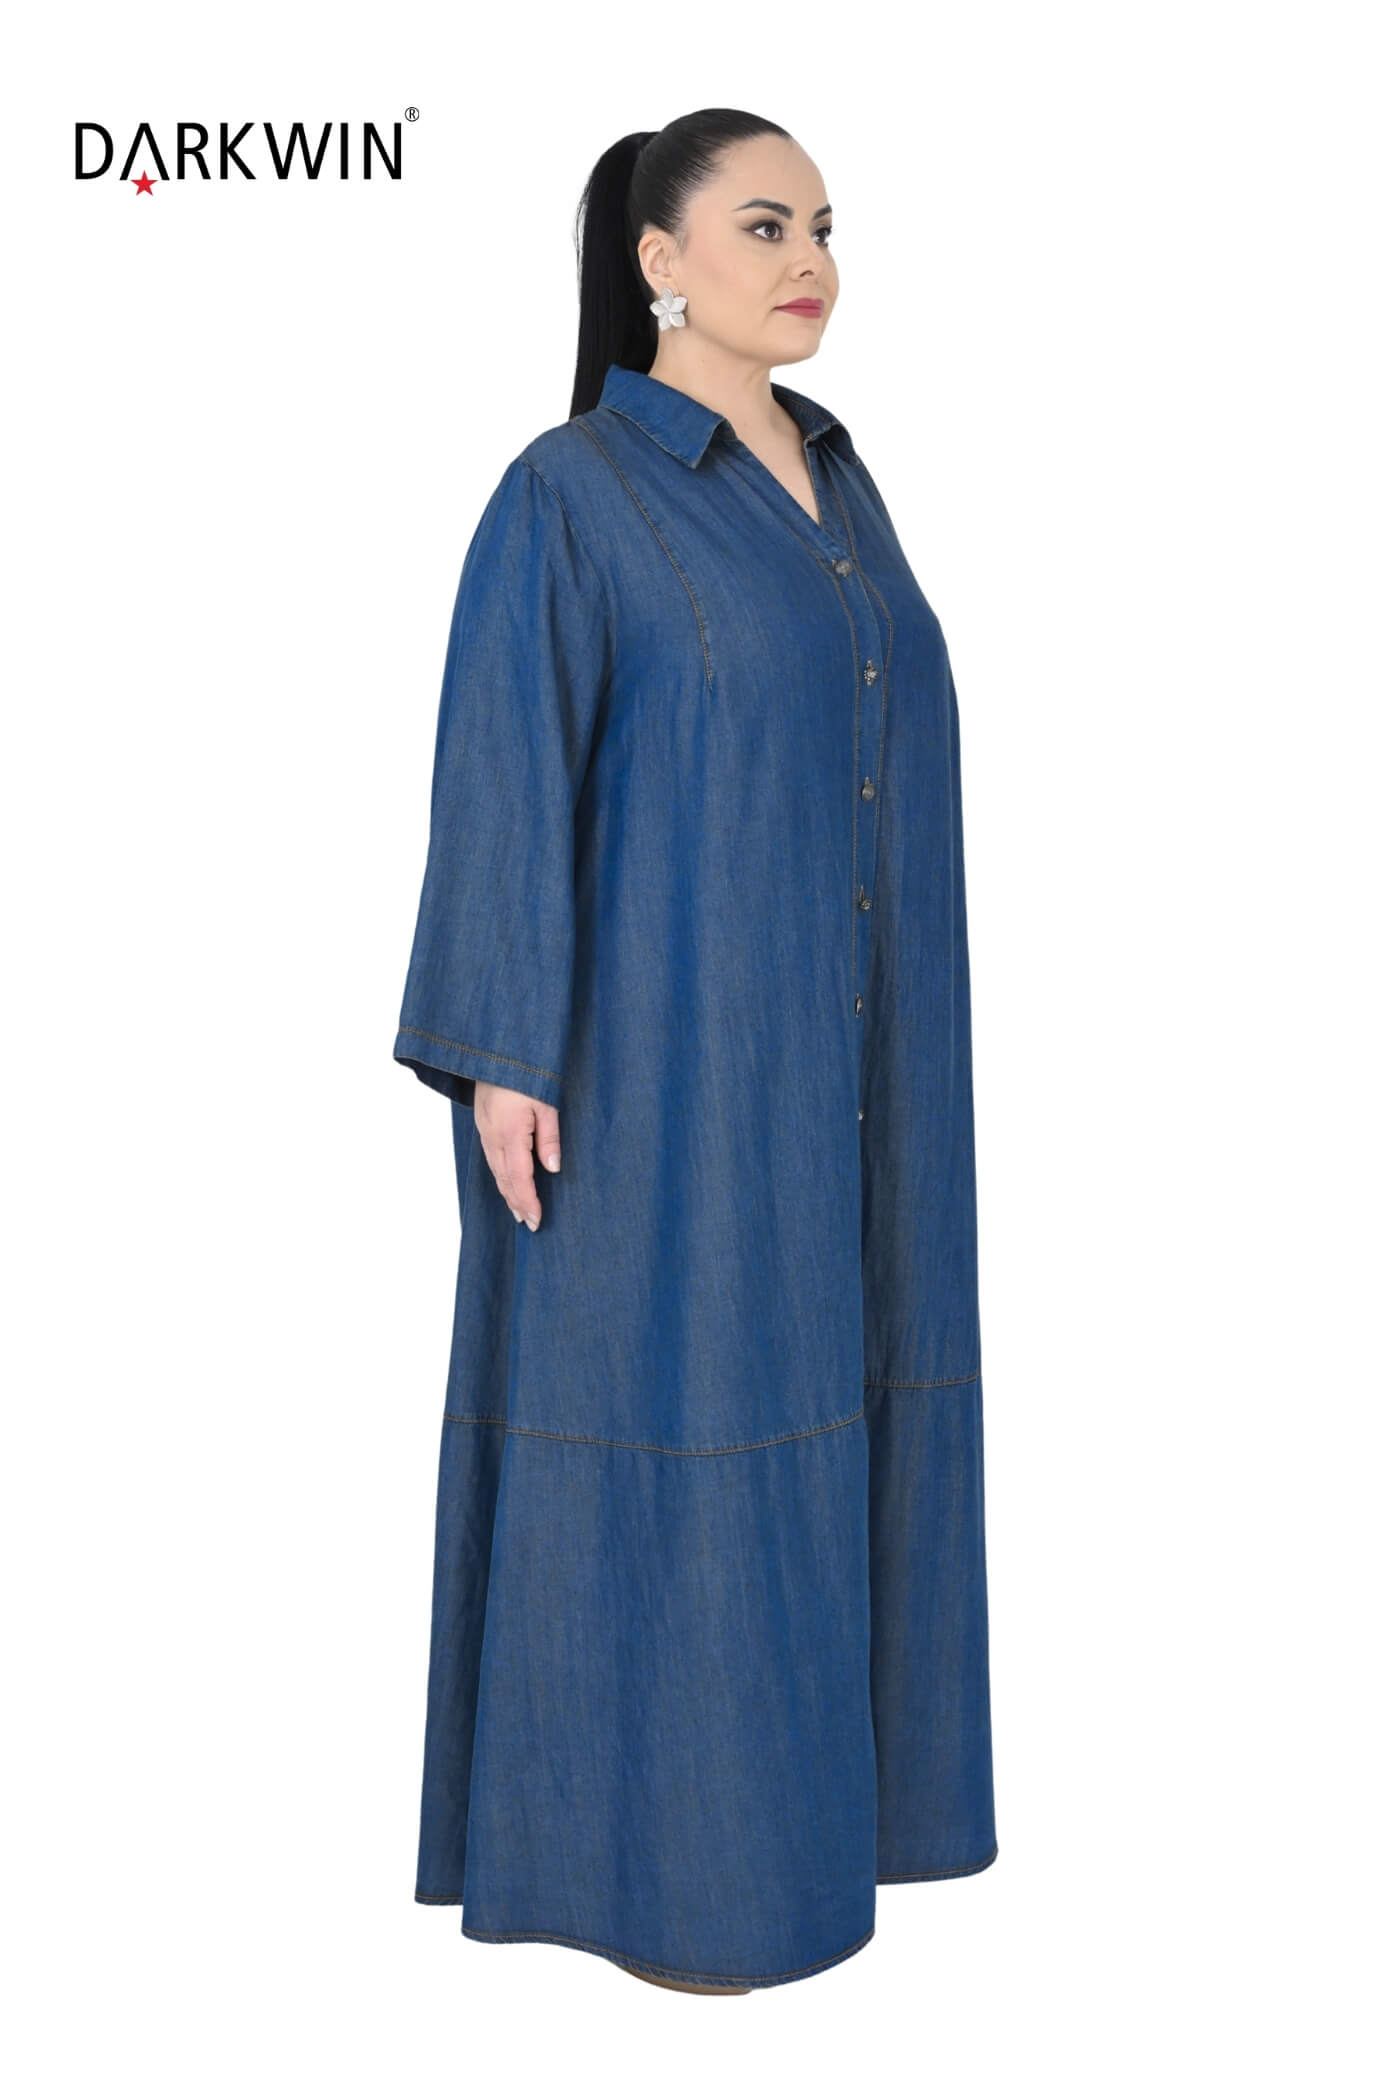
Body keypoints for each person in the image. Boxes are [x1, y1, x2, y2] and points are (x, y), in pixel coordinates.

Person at [394, 108, 998, 1996]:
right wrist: (503, 1047)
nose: (808, 261)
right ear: (659, 261)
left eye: (822, 226)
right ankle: (668, 1884)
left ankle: (824, 1847)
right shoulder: (573, 492)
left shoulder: (845, 484)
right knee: (682, 1413)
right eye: (761, 226)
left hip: (871, 1078)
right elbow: (504, 760)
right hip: (667, 1073)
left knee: (856, 1404)